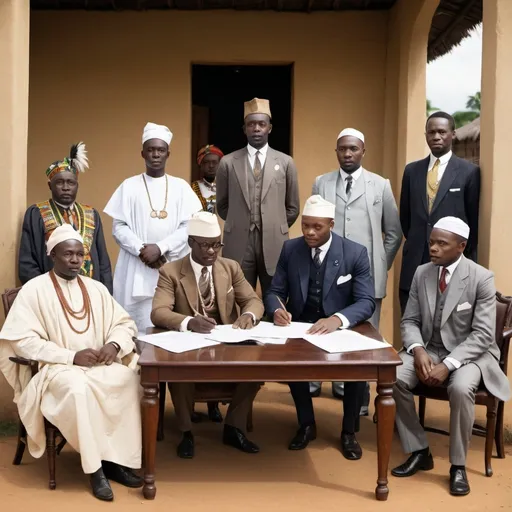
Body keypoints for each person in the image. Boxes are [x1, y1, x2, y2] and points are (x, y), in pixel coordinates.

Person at [0, 225, 142, 502]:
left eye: (80, 254)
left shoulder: (96, 288)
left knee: (127, 380)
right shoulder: (34, 290)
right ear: (53, 255)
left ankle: (114, 458)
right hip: (56, 370)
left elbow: (124, 324)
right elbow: (22, 341)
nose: (76, 260)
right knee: (77, 390)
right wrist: (70, 356)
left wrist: (113, 346)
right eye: (68, 254)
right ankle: (95, 469)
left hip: (99, 366)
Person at [391, 217, 510, 496]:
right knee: (392, 377)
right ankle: (419, 450)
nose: (433, 248)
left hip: (471, 355)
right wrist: (418, 350)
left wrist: (448, 364)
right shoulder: (422, 273)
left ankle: (458, 466)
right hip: (427, 348)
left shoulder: (481, 277)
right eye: (432, 242)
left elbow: (482, 335)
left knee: (459, 387)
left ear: (461, 246)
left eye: (441, 244)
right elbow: (409, 321)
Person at [264, 195, 375, 458]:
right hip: (300, 324)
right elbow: (274, 291)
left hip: (341, 328)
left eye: (317, 227)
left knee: (355, 370)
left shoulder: (355, 252)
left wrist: (337, 319)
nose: (310, 233)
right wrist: (277, 309)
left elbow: (366, 301)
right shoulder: (291, 249)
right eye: (305, 226)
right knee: (294, 366)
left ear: (331, 225)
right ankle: (306, 424)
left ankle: (349, 431)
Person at [151, 212, 263, 458]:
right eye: (205, 245)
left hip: (227, 344)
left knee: (256, 369)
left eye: (217, 244)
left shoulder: (230, 267)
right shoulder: (170, 271)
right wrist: (189, 322)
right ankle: (186, 432)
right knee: (179, 373)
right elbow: (158, 313)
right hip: (189, 346)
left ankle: (234, 427)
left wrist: (249, 316)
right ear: (191, 242)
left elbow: (253, 300)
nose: (212, 251)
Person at [311, 128, 402, 407]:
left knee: (363, 335)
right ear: (336, 151)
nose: (347, 153)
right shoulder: (321, 183)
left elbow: (394, 233)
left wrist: (378, 264)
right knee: (323, 325)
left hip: (368, 275)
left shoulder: (380, 185)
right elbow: (314, 223)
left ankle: (357, 398)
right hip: (328, 273)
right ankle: (315, 382)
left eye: (353, 149)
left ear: (363, 151)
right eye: (342, 149)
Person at [104, 122, 202, 333]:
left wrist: (161, 247)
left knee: (174, 323)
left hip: (171, 262)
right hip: (136, 265)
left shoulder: (181, 187)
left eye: (160, 150)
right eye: (151, 149)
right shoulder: (128, 186)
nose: (155, 154)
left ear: (168, 153)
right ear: (143, 153)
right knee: (136, 327)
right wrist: (141, 249)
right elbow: (118, 227)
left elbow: (190, 226)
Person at [216, 98, 300, 296]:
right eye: (251, 124)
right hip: (238, 240)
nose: (256, 129)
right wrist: (241, 220)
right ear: (244, 128)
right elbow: (222, 205)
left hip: (274, 241)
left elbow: (293, 207)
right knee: (238, 297)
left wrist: (275, 223)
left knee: (275, 297)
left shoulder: (286, 162)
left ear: (269, 128)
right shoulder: (228, 162)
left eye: (261, 124)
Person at [399, 111, 480, 315]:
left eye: (442, 132)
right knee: (411, 318)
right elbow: (405, 218)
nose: (436, 136)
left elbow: (472, 221)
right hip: (415, 260)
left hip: (451, 261)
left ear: (452, 134)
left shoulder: (468, 172)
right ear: (425, 134)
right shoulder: (411, 171)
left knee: (448, 321)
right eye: (431, 132)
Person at [19, 142, 113, 293]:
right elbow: (27, 263)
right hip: (51, 293)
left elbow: (103, 263)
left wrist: (105, 294)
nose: (66, 187)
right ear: (50, 186)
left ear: (77, 185)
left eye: (71, 182)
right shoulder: (36, 214)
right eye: (59, 182)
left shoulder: (92, 214)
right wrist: (44, 292)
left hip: (90, 292)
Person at [191, 144, 224, 214]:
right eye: (206, 162)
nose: (211, 166)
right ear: (201, 165)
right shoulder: (193, 188)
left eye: (214, 162)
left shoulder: (229, 187)